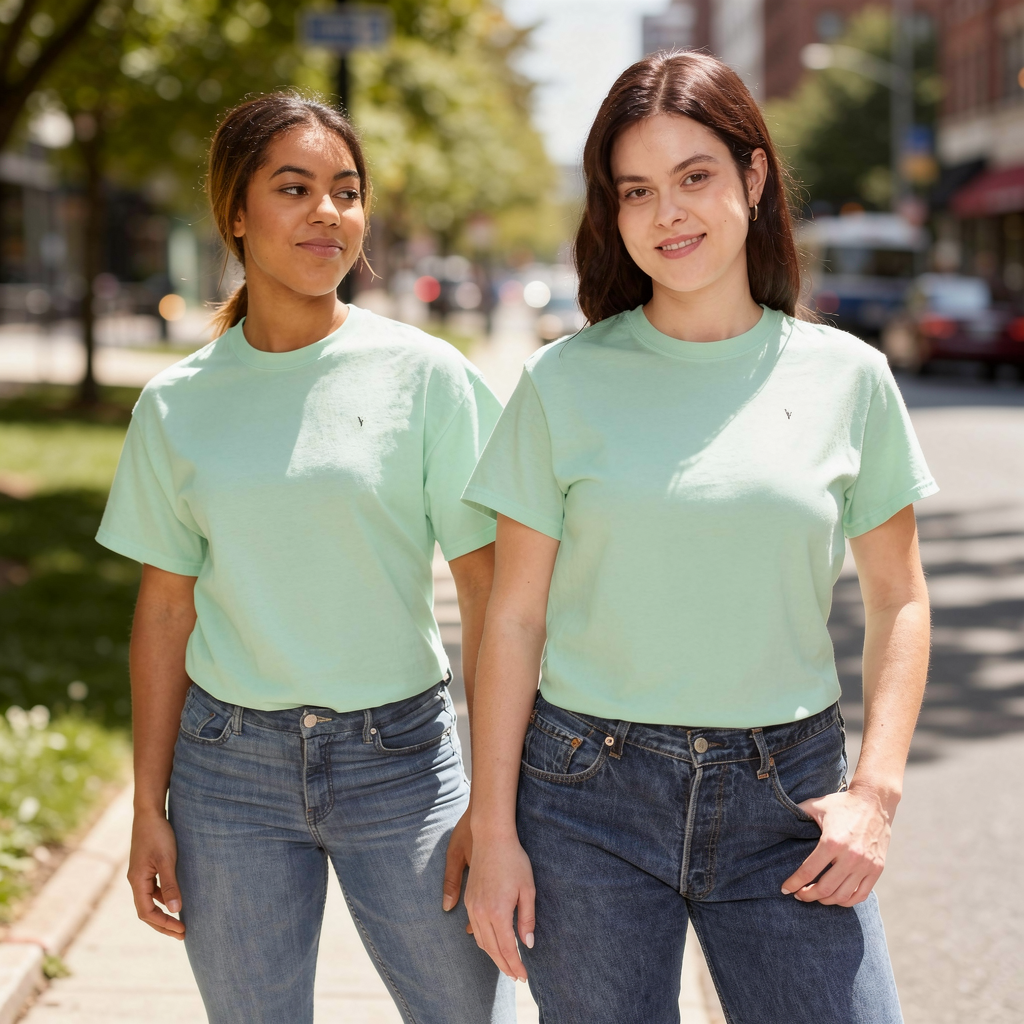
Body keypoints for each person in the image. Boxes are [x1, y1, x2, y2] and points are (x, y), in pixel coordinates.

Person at [462, 51, 936, 1024]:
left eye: (694, 177)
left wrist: (875, 795)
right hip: (585, 795)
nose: (667, 214)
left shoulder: (848, 379)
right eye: (636, 190)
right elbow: (511, 621)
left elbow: (900, 598)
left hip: (788, 802)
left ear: (752, 180)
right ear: (612, 210)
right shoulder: (562, 383)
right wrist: (495, 826)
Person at [96, 93, 514, 1024]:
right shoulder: (176, 406)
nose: (328, 212)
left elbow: (491, 592)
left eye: (347, 191)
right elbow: (165, 610)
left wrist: (495, 800)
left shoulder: (429, 378)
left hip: (403, 764)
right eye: (295, 188)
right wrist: (146, 805)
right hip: (227, 772)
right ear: (237, 214)